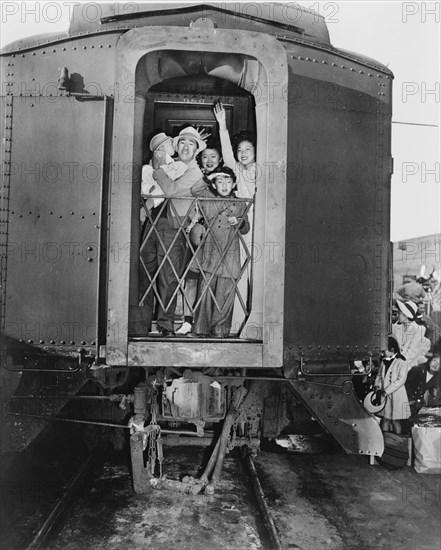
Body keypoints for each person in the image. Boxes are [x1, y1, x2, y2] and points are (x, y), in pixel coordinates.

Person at [140, 126, 206, 337]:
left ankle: (165, 326)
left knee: (168, 277)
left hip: (172, 225)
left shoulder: (196, 172)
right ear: (176, 145)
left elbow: (171, 191)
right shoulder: (171, 163)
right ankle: (141, 323)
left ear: (196, 149)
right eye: (183, 142)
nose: (186, 146)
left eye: (191, 143)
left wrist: (158, 169)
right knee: (145, 268)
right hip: (152, 222)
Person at [191, 166, 250, 338]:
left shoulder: (240, 203)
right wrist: (210, 176)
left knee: (225, 294)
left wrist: (239, 221)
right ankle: (200, 330)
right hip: (210, 253)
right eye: (220, 181)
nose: (224, 185)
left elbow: (246, 228)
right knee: (205, 293)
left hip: (230, 255)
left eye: (228, 181)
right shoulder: (208, 199)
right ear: (214, 185)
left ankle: (220, 332)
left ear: (234, 184)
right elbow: (195, 190)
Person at [176, 140, 224, 336]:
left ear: (220, 159)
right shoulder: (197, 177)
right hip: (195, 234)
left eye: (213, 156)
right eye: (205, 157)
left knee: (212, 280)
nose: (209, 160)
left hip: (216, 237)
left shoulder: (224, 179)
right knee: (192, 279)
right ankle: (187, 320)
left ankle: (207, 323)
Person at [213, 101, 256, 200]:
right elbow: (227, 151)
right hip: (239, 214)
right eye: (239, 150)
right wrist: (222, 123)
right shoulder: (236, 168)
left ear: (255, 151)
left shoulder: (260, 169)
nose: (243, 153)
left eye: (247, 149)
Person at [141, 132, 188, 211]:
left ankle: (146, 209)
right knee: (159, 193)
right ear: (162, 148)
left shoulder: (169, 158)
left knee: (159, 194)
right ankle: (145, 209)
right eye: (171, 144)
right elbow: (161, 168)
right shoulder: (161, 155)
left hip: (160, 181)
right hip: (157, 179)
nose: (173, 146)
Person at [374, 336, 411, 435]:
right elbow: (379, 375)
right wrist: (377, 386)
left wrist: (387, 391)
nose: (382, 353)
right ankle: (385, 443)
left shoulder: (402, 361)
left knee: (395, 420)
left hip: (396, 394)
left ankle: (398, 442)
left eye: (384, 350)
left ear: (392, 350)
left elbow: (401, 380)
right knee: (385, 419)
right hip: (384, 395)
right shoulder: (383, 361)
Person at [392, 300, 431, 369]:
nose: (397, 315)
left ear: (406, 315)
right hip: (398, 363)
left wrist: (399, 362)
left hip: (412, 364)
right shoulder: (397, 327)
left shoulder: (419, 329)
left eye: (399, 313)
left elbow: (413, 351)